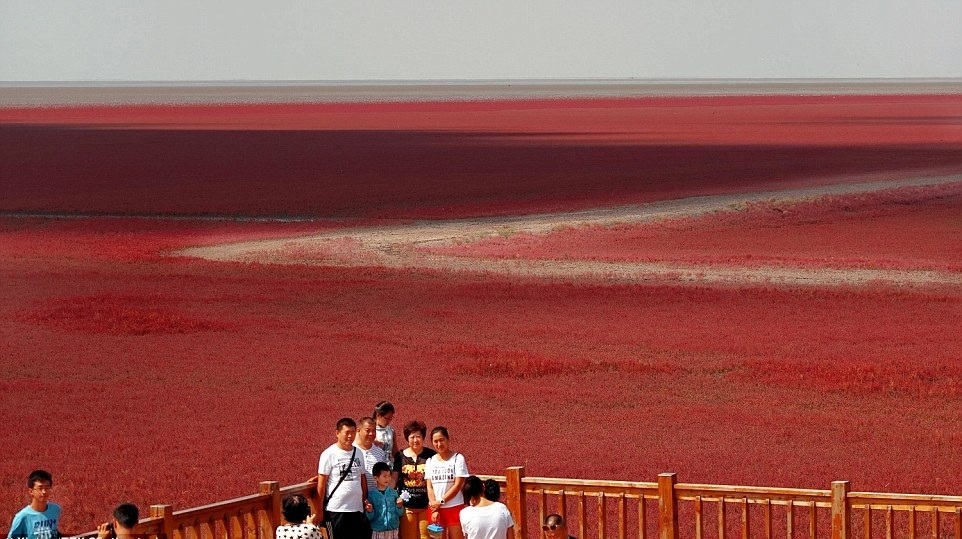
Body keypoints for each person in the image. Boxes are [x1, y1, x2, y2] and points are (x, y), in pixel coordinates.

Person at [318, 418, 373, 539]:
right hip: (336, 509)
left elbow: (362, 478)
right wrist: (319, 509)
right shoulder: (329, 454)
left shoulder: (358, 452)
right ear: (337, 433)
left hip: (356, 509)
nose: (350, 436)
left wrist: (364, 499)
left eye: (353, 432)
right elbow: (321, 484)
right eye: (347, 432)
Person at [393, 420, 437, 539]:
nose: (415, 440)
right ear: (407, 438)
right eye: (412, 437)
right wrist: (392, 496)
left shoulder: (431, 455)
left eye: (418, 436)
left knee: (426, 537)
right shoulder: (400, 456)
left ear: (423, 437)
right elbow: (394, 479)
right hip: (407, 507)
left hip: (425, 506)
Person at [424, 427, 468, 539]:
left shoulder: (458, 458)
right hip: (435, 509)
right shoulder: (430, 461)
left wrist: (441, 501)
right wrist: (435, 505)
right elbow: (429, 487)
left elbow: (458, 484)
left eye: (442, 440)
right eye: (435, 441)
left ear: (448, 439)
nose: (439, 444)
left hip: (454, 507)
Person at [7, 469, 61, 539]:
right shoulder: (22, 517)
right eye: (40, 488)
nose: (44, 492)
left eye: (47, 488)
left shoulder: (56, 510)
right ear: (31, 491)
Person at [366, 462, 403, 539]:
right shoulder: (371, 495)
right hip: (378, 530)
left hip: (393, 529)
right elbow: (370, 517)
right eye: (384, 476)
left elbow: (399, 514)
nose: (387, 478)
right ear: (376, 478)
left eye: (389, 476)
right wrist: (369, 511)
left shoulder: (393, 493)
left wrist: (399, 506)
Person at [356, 417, 391, 493]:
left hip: (375, 499)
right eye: (367, 430)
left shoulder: (380, 453)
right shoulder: (352, 451)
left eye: (373, 430)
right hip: (356, 499)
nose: (371, 434)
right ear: (358, 431)